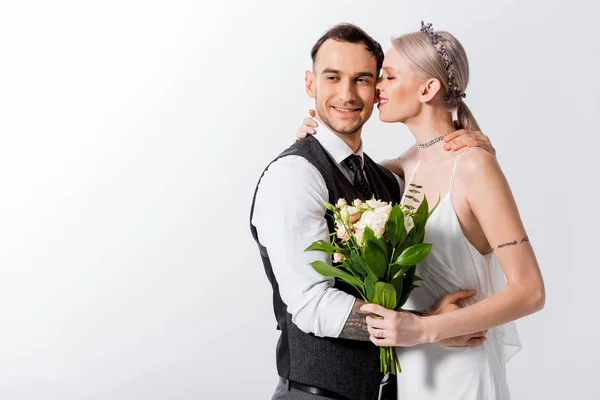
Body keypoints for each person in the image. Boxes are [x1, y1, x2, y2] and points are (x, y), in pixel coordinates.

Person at [298, 22, 545, 400]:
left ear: (428, 89)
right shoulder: (399, 169)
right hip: (411, 371)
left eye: (389, 77)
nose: (375, 87)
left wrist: (424, 330)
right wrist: (311, 144)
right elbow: (340, 174)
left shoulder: (474, 166)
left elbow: (530, 291)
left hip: (462, 368)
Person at [251, 23, 495, 400]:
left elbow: (436, 176)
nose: (347, 94)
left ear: (378, 88)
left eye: (362, 79)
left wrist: (471, 146)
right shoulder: (293, 175)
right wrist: (427, 325)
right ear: (310, 84)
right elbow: (312, 304)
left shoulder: (386, 180)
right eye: (332, 77)